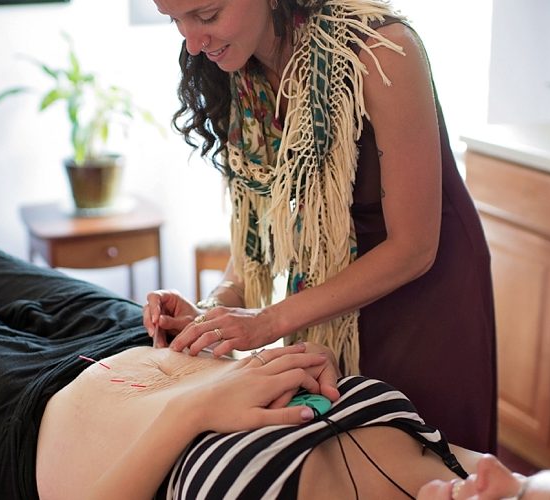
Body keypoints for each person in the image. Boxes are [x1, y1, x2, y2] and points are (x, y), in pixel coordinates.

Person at [0, 226, 550, 500]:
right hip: (143, 345)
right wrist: (220, 334)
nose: (499, 471)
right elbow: (274, 386)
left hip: (28, 427)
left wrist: (194, 409)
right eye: (542, 485)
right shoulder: (445, 460)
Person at [143, 0, 497, 453]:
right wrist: (212, 311)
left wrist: (269, 321)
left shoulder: (382, 52)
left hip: (424, 297)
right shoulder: (243, 68)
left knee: (426, 463)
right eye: (175, 20)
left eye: (207, 15)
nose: (192, 43)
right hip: (328, 296)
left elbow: (414, 248)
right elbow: (266, 233)